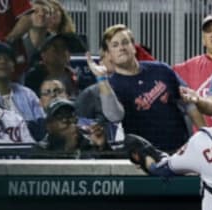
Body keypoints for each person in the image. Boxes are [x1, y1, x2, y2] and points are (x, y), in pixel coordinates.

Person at [88, 24, 205, 153]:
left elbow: (189, 104)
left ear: (134, 47)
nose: (121, 48)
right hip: (145, 158)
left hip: (180, 151)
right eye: (115, 45)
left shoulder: (161, 69)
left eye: (125, 42)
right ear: (108, 54)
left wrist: (206, 138)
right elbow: (115, 116)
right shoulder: (110, 86)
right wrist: (101, 79)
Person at [0, 42, 45, 141]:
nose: (3, 61)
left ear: (13, 66)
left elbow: (42, 126)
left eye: (7, 59)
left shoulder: (28, 94)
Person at [35, 98, 110, 158]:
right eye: (60, 117)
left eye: (70, 115)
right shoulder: (41, 150)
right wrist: (68, 151)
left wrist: (103, 147)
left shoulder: (86, 142)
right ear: (49, 126)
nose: (66, 120)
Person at [24, 32, 86, 97]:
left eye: (65, 48)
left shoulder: (75, 76)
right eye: (56, 49)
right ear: (43, 55)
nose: (63, 52)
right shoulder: (34, 77)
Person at [21, 0, 54, 66]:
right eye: (36, 11)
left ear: (51, 18)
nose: (41, 14)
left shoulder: (58, 43)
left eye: (45, 12)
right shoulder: (18, 44)